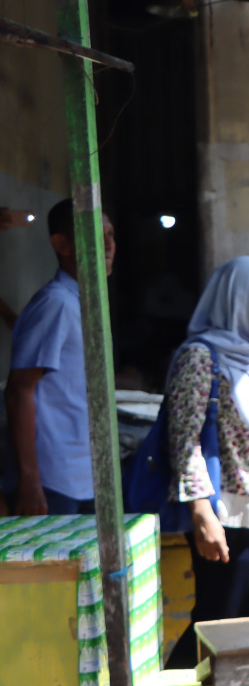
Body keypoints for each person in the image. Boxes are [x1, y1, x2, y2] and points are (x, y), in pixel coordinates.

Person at [164, 256, 249, 669]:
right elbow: (184, 441)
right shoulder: (201, 357)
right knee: (227, 628)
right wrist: (202, 514)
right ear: (244, 300)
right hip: (229, 522)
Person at [6, 198, 116, 515]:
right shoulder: (55, 304)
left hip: (83, 474)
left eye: (111, 235)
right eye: (99, 235)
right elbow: (18, 390)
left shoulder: (83, 302)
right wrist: (29, 480)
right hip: (53, 479)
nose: (109, 245)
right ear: (62, 245)